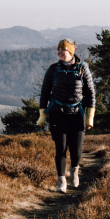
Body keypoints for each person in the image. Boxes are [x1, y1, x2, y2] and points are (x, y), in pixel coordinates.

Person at [36, 39, 95, 193]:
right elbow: (44, 93)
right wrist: (42, 115)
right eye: (58, 49)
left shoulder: (83, 68)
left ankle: (74, 169)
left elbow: (90, 94)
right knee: (60, 148)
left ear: (71, 52)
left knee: (76, 151)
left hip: (77, 114)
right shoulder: (53, 69)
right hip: (57, 112)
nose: (60, 52)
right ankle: (61, 181)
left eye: (63, 50)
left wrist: (90, 117)